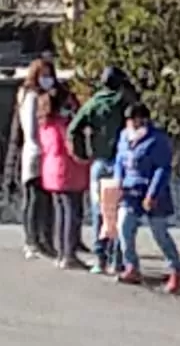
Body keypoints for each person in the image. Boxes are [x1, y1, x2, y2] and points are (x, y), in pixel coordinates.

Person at [69, 65, 135, 274]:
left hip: (99, 162)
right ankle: (117, 259)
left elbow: (73, 129)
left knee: (100, 211)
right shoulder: (124, 102)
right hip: (120, 162)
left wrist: (81, 153)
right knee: (118, 211)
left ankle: (100, 258)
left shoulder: (94, 103)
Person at [114, 103, 180, 294]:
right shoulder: (124, 137)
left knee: (159, 233)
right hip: (130, 191)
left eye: (135, 119)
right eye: (129, 120)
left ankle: (176, 269)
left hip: (152, 191)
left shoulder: (157, 140)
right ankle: (131, 267)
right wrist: (118, 182)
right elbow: (119, 161)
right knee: (124, 227)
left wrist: (152, 194)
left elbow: (162, 169)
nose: (131, 124)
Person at [38, 85, 90, 269]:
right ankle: (69, 254)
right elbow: (71, 148)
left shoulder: (45, 124)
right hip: (67, 171)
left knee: (60, 212)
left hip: (50, 171)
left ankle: (61, 253)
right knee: (71, 213)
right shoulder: (63, 125)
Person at [17, 59, 58, 259]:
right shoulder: (32, 97)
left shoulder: (29, 95)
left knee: (38, 200)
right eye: (44, 75)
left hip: (36, 153)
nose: (47, 79)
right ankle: (33, 240)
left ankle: (37, 240)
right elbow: (33, 130)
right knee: (36, 200)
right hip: (37, 153)